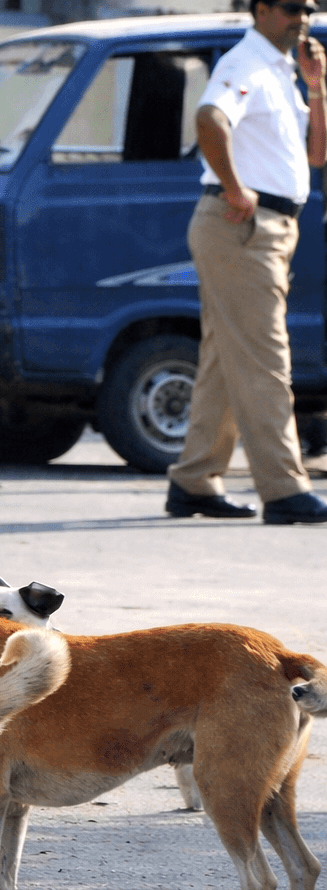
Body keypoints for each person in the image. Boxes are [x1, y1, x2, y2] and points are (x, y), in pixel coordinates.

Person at [166, 0, 327, 525]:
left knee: (225, 359)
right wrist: (235, 188)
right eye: (290, 8)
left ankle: (194, 481)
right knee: (265, 359)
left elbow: (316, 156)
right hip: (242, 225)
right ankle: (284, 489)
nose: (302, 17)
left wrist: (317, 87)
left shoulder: (281, 71)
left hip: (268, 227)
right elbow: (209, 119)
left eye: (309, 8)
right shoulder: (245, 63)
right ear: (260, 9)